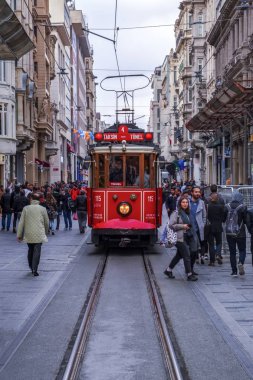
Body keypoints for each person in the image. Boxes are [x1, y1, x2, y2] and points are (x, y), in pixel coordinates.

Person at [164, 196, 198, 281]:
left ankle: (168, 270)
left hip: (189, 236)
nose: (185, 204)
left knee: (179, 255)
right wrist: (182, 226)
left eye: (186, 202)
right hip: (180, 238)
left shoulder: (189, 213)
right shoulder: (176, 213)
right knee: (186, 255)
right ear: (180, 203)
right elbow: (171, 225)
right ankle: (189, 274)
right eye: (183, 202)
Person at [17, 193, 49, 277]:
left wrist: (19, 234)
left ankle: (31, 266)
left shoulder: (26, 208)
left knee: (30, 249)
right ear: (39, 200)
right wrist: (45, 232)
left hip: (29, 233)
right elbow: (46, 222)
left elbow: (21, 222)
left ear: (31, 199)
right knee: (37, 251)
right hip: (39, 233)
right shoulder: (43, 209)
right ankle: (35, 268)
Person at [225, 191, 247, 276]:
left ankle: (234, 271)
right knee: (242, 250)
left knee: (232, 252)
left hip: (229, 232)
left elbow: (224, 219)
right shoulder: (243, 207)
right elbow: (245, 220)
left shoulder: (227, 206)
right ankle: (241, 262)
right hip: (240, 232)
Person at [207, 192, 227, 266]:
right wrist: (222, 220)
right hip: (218, 226)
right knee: (219, 242)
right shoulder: (221, 206)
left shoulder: (208, 206)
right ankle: (218, 255)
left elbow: (207, 216)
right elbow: (224, 214)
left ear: (210, 198)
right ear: (217, 198)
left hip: (211, 226)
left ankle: (212, 260)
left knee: (211, 244)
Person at [190, 186, 206, 266]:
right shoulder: (187, 202)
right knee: (193, 244)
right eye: (196, 192)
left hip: (199, 227)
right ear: (192, 193)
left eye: (199, 192)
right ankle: (195, 257)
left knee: (201, 242)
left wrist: (203, 224)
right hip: (190, 228)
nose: (197, 193)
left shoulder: (202, 203)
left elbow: (204, 216)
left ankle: (201, 256)